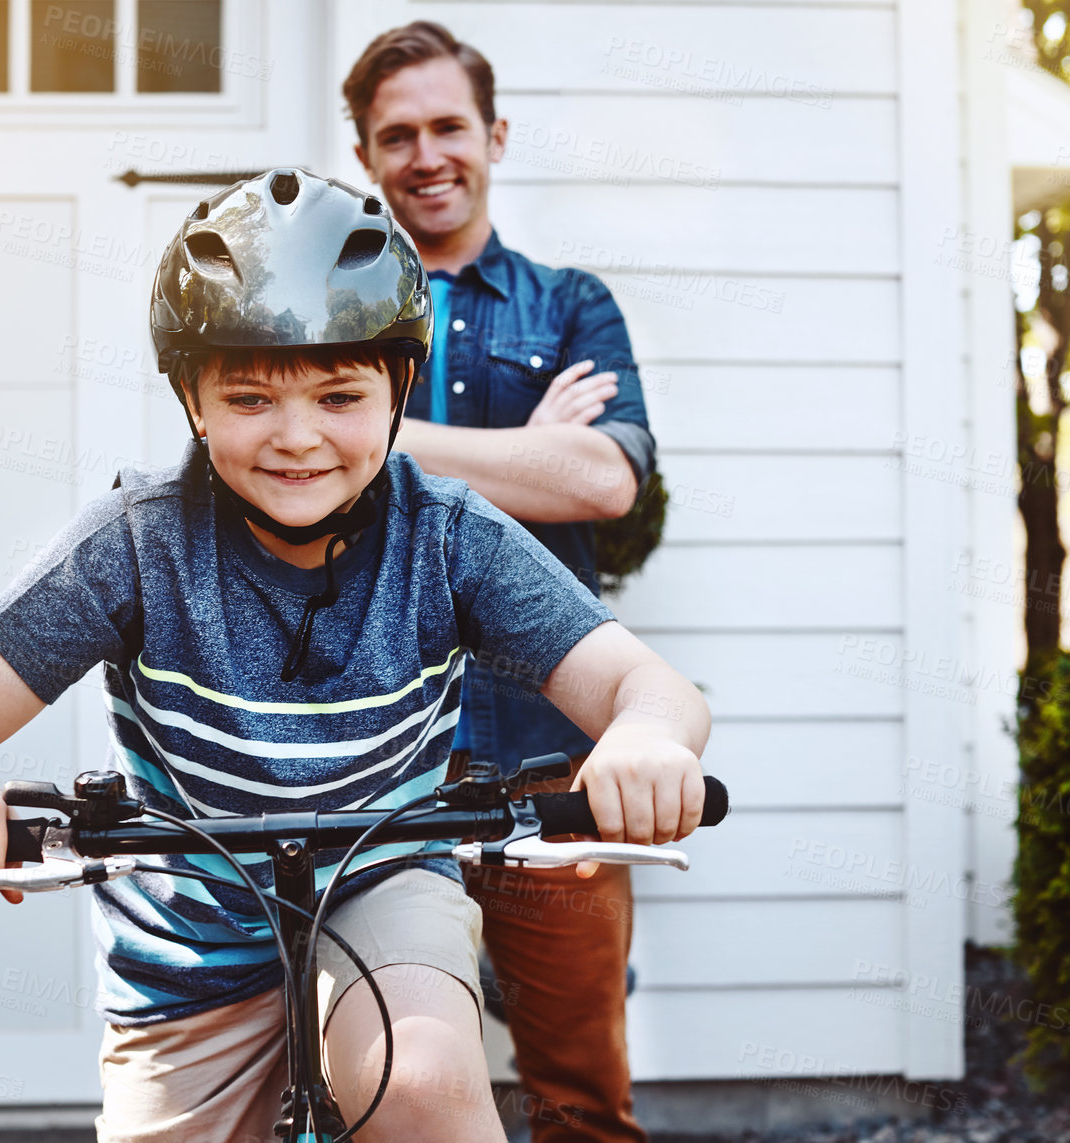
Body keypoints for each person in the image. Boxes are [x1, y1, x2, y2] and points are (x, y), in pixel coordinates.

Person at [0, 168, 708, 1143]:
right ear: (192, 398)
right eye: (250, 397)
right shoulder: (140, 538)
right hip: (187, 942)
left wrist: (646, 734)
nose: (298, 436)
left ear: (401, 390)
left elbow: (645, 685)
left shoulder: (444, 533)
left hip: (380, 884)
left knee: (426, 1081)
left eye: (340, 394)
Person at [344, 21, 658, 1142]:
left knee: (580, 1094)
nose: (425, 155)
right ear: (365, 158)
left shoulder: (570, 304)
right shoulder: (332, 316)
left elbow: (605, 482)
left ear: (494, 135)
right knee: (377, 1083)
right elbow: (298, 478)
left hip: (546, 752)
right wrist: (525, 451)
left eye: (446, 126)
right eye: (396, 136)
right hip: (371, 762)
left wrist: (384, 440)